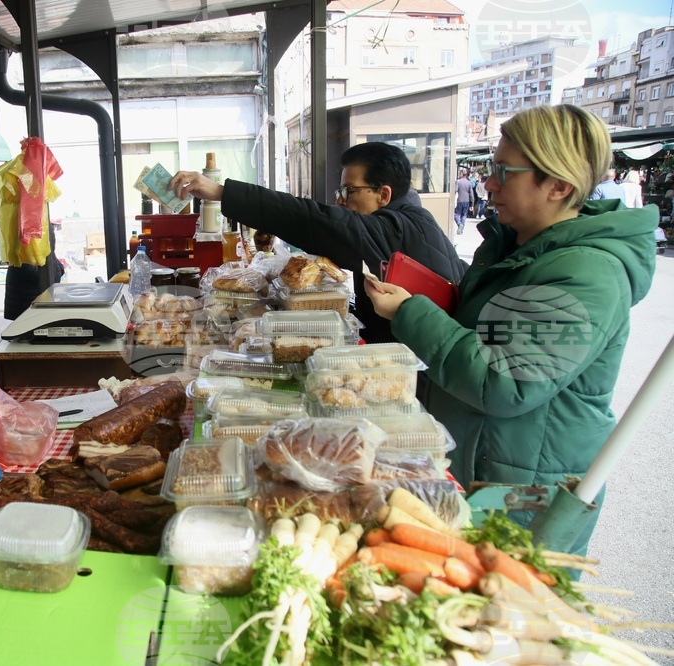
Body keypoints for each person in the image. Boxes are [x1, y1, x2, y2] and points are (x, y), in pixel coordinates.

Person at [365, 104, 657, 555]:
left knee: (510, 606)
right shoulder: (517, 244)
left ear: (558, 185)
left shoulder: (586, 273)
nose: (488, 183)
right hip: (486, 467)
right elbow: (493, 329)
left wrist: (411, 313)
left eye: (505, 171)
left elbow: (501, 378)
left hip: (524, 492)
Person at [168, 141, 465, 344]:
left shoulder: (393, 228)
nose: (340, 200)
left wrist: (222, 192)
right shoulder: (414, 221)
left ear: (383, 195)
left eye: (350, 191)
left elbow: (312, 219)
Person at [454, 169, 473, 234]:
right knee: (464, 215)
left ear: (461, 174)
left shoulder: (458, 182)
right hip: (467, 200)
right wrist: (472, 204)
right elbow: (471, 194)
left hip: (459, 200)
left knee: (457, 214)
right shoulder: (469, 182)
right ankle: (461, 230)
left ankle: (459, 224)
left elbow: (455, 190)